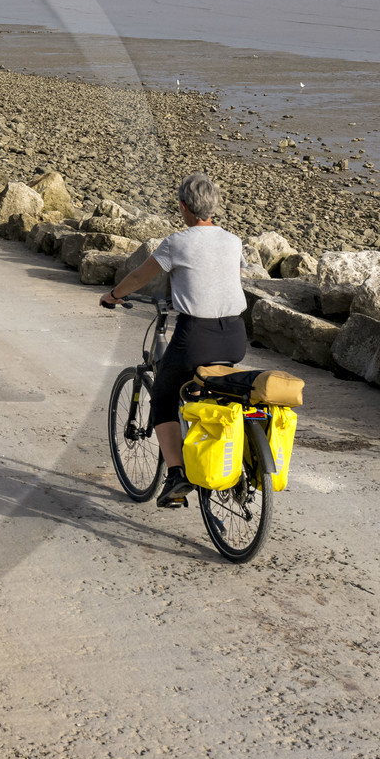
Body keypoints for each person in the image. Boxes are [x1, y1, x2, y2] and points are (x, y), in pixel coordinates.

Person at [100, 173, 248, 508]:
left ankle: (177, 475)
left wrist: (113, 295)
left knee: (164, 398)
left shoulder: (176, 243)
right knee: (202, 390)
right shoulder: (233, 241)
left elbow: (140, 276)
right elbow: (230, 279)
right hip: (235, 336)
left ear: (184, 207)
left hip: (196, 335)